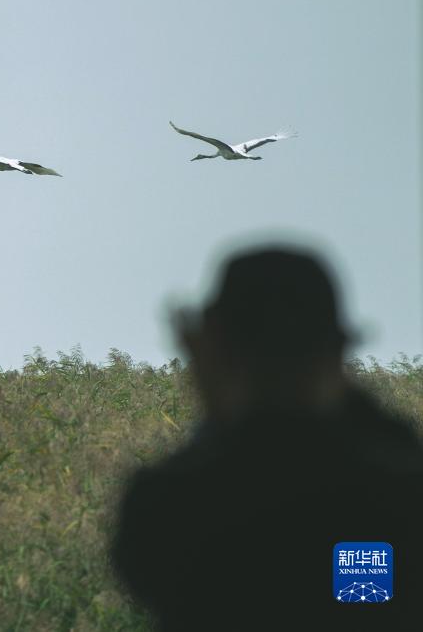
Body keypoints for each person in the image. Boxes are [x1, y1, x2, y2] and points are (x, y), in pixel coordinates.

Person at [112, 246, 423, 631]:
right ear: (338, 350)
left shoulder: (167, 503)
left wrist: (216, 394)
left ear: (216, 351)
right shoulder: (397, 493)